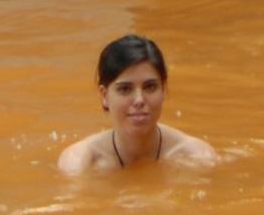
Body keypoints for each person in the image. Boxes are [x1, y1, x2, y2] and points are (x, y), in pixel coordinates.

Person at [59, 34, 218, 174]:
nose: (139, 100)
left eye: (150, 87)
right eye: (125, 89)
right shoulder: (79, 163)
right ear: (104, 95)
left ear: (163, 90)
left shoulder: (198, 158)